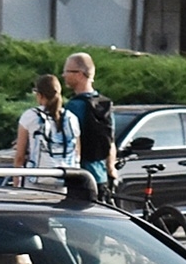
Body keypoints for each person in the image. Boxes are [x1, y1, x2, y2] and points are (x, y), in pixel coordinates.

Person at [61, 52, 116, 196]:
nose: (63, 75)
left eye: (67, 71)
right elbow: (110, 141)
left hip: (80, 177)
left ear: (79, 74)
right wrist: (111, 169)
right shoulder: (104, 104)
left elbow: (67, 141)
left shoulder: (74, 106)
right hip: (100, 176)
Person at [13, 74, 76, 171]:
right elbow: (77, 153)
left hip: (37, 178)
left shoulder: (30, 116)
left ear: (39, 95)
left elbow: (20, 156)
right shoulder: (71, 118)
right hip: (66, 178)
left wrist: (16, 180)